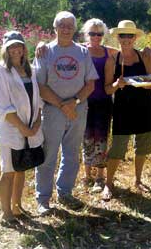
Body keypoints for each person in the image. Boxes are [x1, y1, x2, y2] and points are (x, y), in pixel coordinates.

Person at [33, 11, 98, 215]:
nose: (66, 28)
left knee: (71, 154)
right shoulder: (45, 52)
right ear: (55, 27)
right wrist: (63, 105)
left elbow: (90, 83)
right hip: (53, 111)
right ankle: (43, 199)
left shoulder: (83, 52)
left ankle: (65, 193)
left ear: (75, 28)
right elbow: (40, 86)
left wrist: (74, 102)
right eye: (62, 24)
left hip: (78, 110)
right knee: (48, 155)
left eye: (70, 25)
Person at [0, 31, 44, 225]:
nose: (15, 49)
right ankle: (6, 213)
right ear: (5, 48)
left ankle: (17, 207)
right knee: (9, 170)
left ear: (23, 48)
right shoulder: (0, 72)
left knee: (21, 169)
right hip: (11, 130)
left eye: (18, 45)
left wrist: (36, 122)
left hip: (29, 128)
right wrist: (22, 127)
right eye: (11, 46)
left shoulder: (30, 70)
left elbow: (37, 100)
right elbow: (1, 105)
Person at [102, 20, 151, 201]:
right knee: (117, 148)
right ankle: (108, 183)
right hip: (122, 110)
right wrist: (118, 84)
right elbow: (107, 89)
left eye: (129, 36)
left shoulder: (144, 56)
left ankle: (138, 180)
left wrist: (145, 81)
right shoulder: (112, 61)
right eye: (122, 36)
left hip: (145, 107)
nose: (126, 39)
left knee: (142, 147)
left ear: (135, 38)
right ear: (117, 38)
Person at [80, 18, 117, 192]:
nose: (96, 37)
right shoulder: (80, 50)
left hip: (103, 101)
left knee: (101, 138)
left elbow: (126, 50)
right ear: (86, 34)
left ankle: (100, 177)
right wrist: (42, 44)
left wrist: (145, 51)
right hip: (84, 101)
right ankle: (87, 174)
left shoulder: (107, 52)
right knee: (86, 138)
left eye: (100, 34)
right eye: (92, 33)